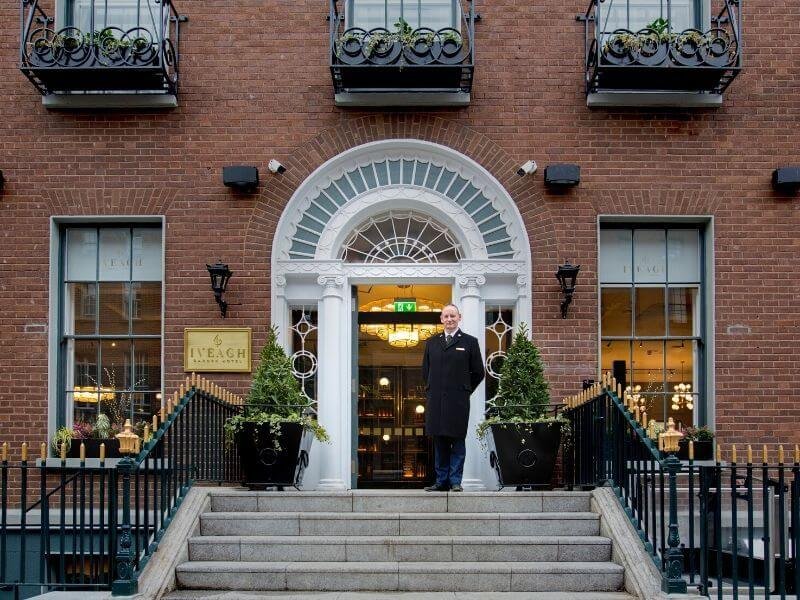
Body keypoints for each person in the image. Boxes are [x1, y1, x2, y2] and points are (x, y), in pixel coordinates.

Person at [421, 303, 484, 492]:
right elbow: (426, 371)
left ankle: (455, 481)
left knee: (457, 441)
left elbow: (479, 372)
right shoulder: (431, 342)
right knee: (439, 441)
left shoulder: (469, 342)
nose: (449, 319)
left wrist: (465, 390)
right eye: (446, 316)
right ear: (441, 319)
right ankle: (441, 481)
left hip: (458, 402)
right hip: (437, 401)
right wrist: (433, 389)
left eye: (453, 316)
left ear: (459, 318)